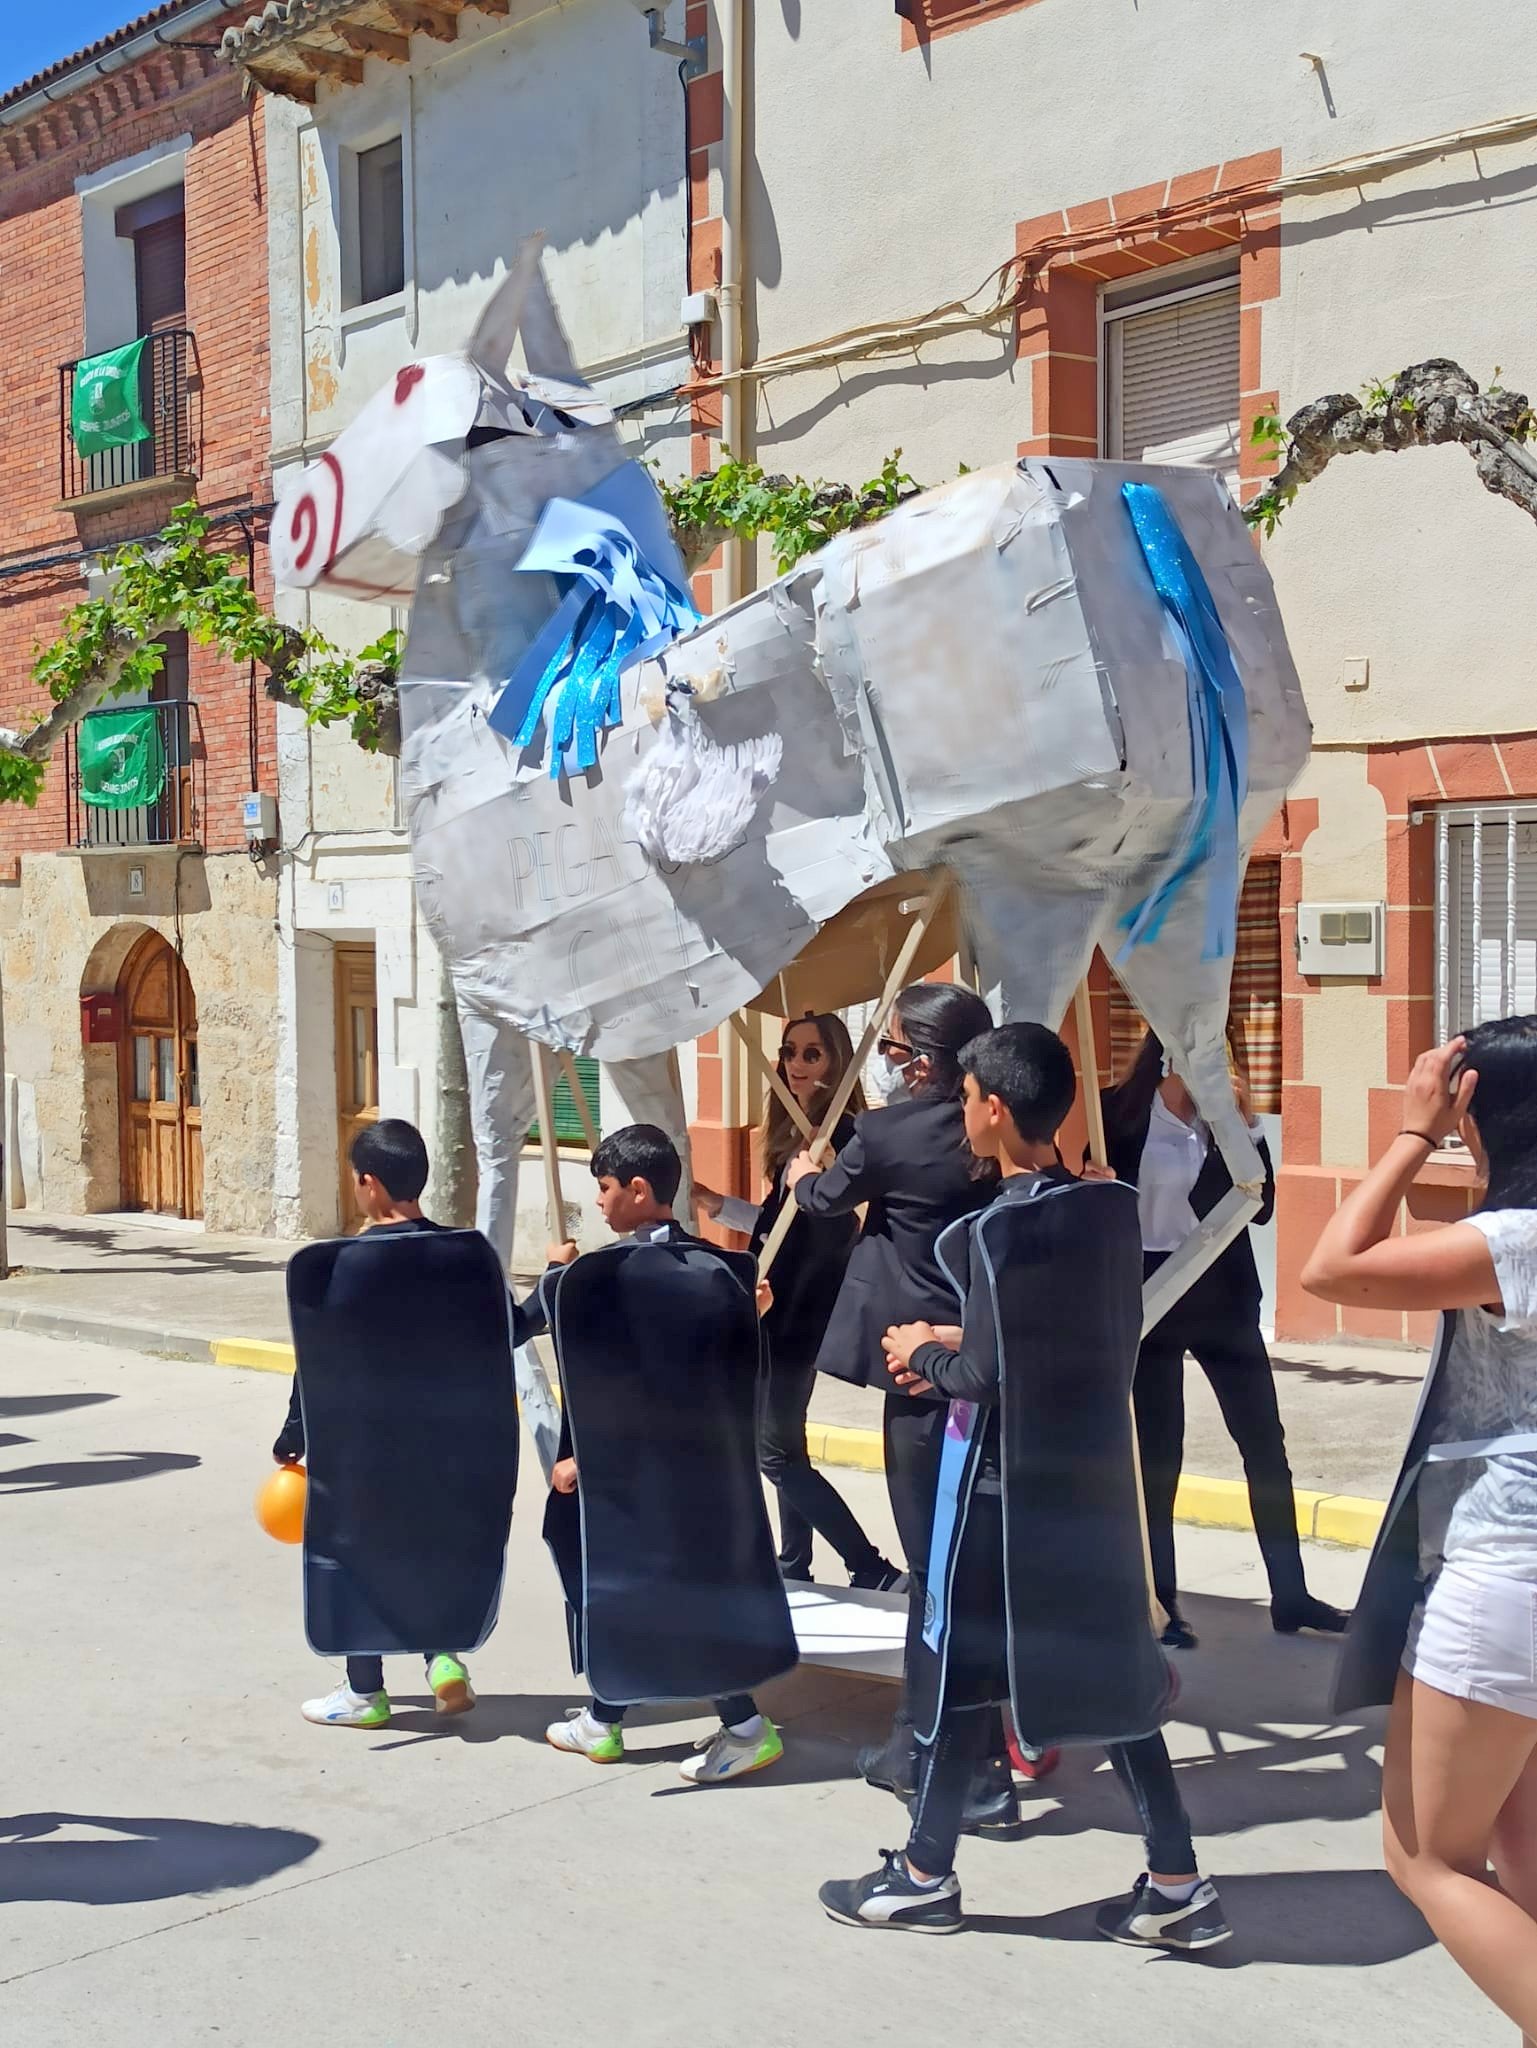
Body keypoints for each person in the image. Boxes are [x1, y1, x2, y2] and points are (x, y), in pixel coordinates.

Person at [820, 1023, 1230, 1949]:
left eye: (966, 1099)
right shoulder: (1107, 1208)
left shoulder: (989, 1232)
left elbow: (988, 1379)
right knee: (1115, 1683)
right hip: (1088, 1488)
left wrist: (927, 1352)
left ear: (994, 1110)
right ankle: (1174, 1880)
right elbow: (1076, 1341)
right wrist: (964, 1346)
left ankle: (924, 1875)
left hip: (1001, 1497)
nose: (959, 1114)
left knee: (960, 1676)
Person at [1303, 1023, 1537, 2044]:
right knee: (1519, 1846)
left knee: (1426, 1857)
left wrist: (1407, 1138)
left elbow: (1333, 1265)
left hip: (1504, 1565)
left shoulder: (1515, 1239)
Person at [786, 981, 1016, 1831]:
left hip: (924, 1374)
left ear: (921, 1058)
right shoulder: (1010, 1138)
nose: (882, 1063)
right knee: (965, 1575)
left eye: (889, 1048)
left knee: (935, 1577)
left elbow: (823, 1201)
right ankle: (939, 1748)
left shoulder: (889, 1134)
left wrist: (806, 1174)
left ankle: (951, 1762)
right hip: (991, 1369)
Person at [542, 1125, 798, 1784]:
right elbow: (739, 1373)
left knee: (637, 1589)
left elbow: (629, 1386)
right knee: (661, 1594)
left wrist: (555, 1283)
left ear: (636, 1189)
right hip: (702, 1470)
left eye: (602, 1187)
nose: (596, 1202)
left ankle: (738, 1726)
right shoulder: (720, 1269)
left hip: (638, 1468)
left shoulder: (609, 1277)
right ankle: (605, 1719)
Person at [1101, 1029, 1347, 1650]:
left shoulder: (1226, 1124)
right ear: (1169, 1055)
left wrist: (1245, 1127)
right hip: (1151, 1293)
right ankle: (1162, 1601)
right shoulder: (1118, 1114)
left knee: (1264, 1443)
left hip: (1222, 1296)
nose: (1219, 1065)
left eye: (1224, 1053)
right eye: (1205, 1052)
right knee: (1159, 1456)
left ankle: (1290, 1594)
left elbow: (1259, 1209)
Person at [276, 1120, 524, 1729]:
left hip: (366, 1453)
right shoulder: (466, 1258)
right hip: (448, 1447)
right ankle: (443, 1661)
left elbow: (316, 1367)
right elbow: (509, 1331)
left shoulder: (340, 1267)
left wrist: (293, 1436)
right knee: (431, 1548)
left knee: (358, 1556)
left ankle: (365, 1693)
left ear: (369, 1184)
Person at [697, 1012, 901, 1589]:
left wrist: (824, 1170)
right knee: (788, 1446)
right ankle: (793, 1565)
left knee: (774, 1453)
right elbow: (777, 1223)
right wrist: (719, 1207)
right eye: (789, 1052)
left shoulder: (844, 1139)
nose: (796, 1064)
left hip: (801, 1315)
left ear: (838, 1062)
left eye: (813, 1054)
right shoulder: (793, 1138)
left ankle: (870, 1566)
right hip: (771, 1308)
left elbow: (837, 1215)